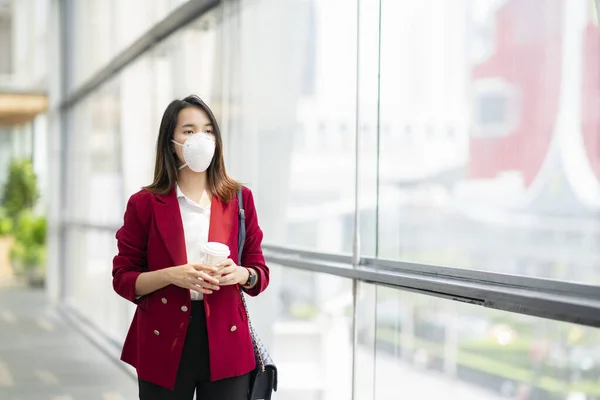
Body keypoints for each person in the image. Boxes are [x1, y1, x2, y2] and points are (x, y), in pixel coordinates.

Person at [112, 94, 270, 399]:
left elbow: (259, 272)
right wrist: (173, 275)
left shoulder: (239, 199)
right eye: (189, 130)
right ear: (171, 141)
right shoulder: (144, 204)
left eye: (208, 130)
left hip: (226, 340)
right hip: (164, 339)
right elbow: (123, 278)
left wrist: (240, 274)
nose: (201, 138)